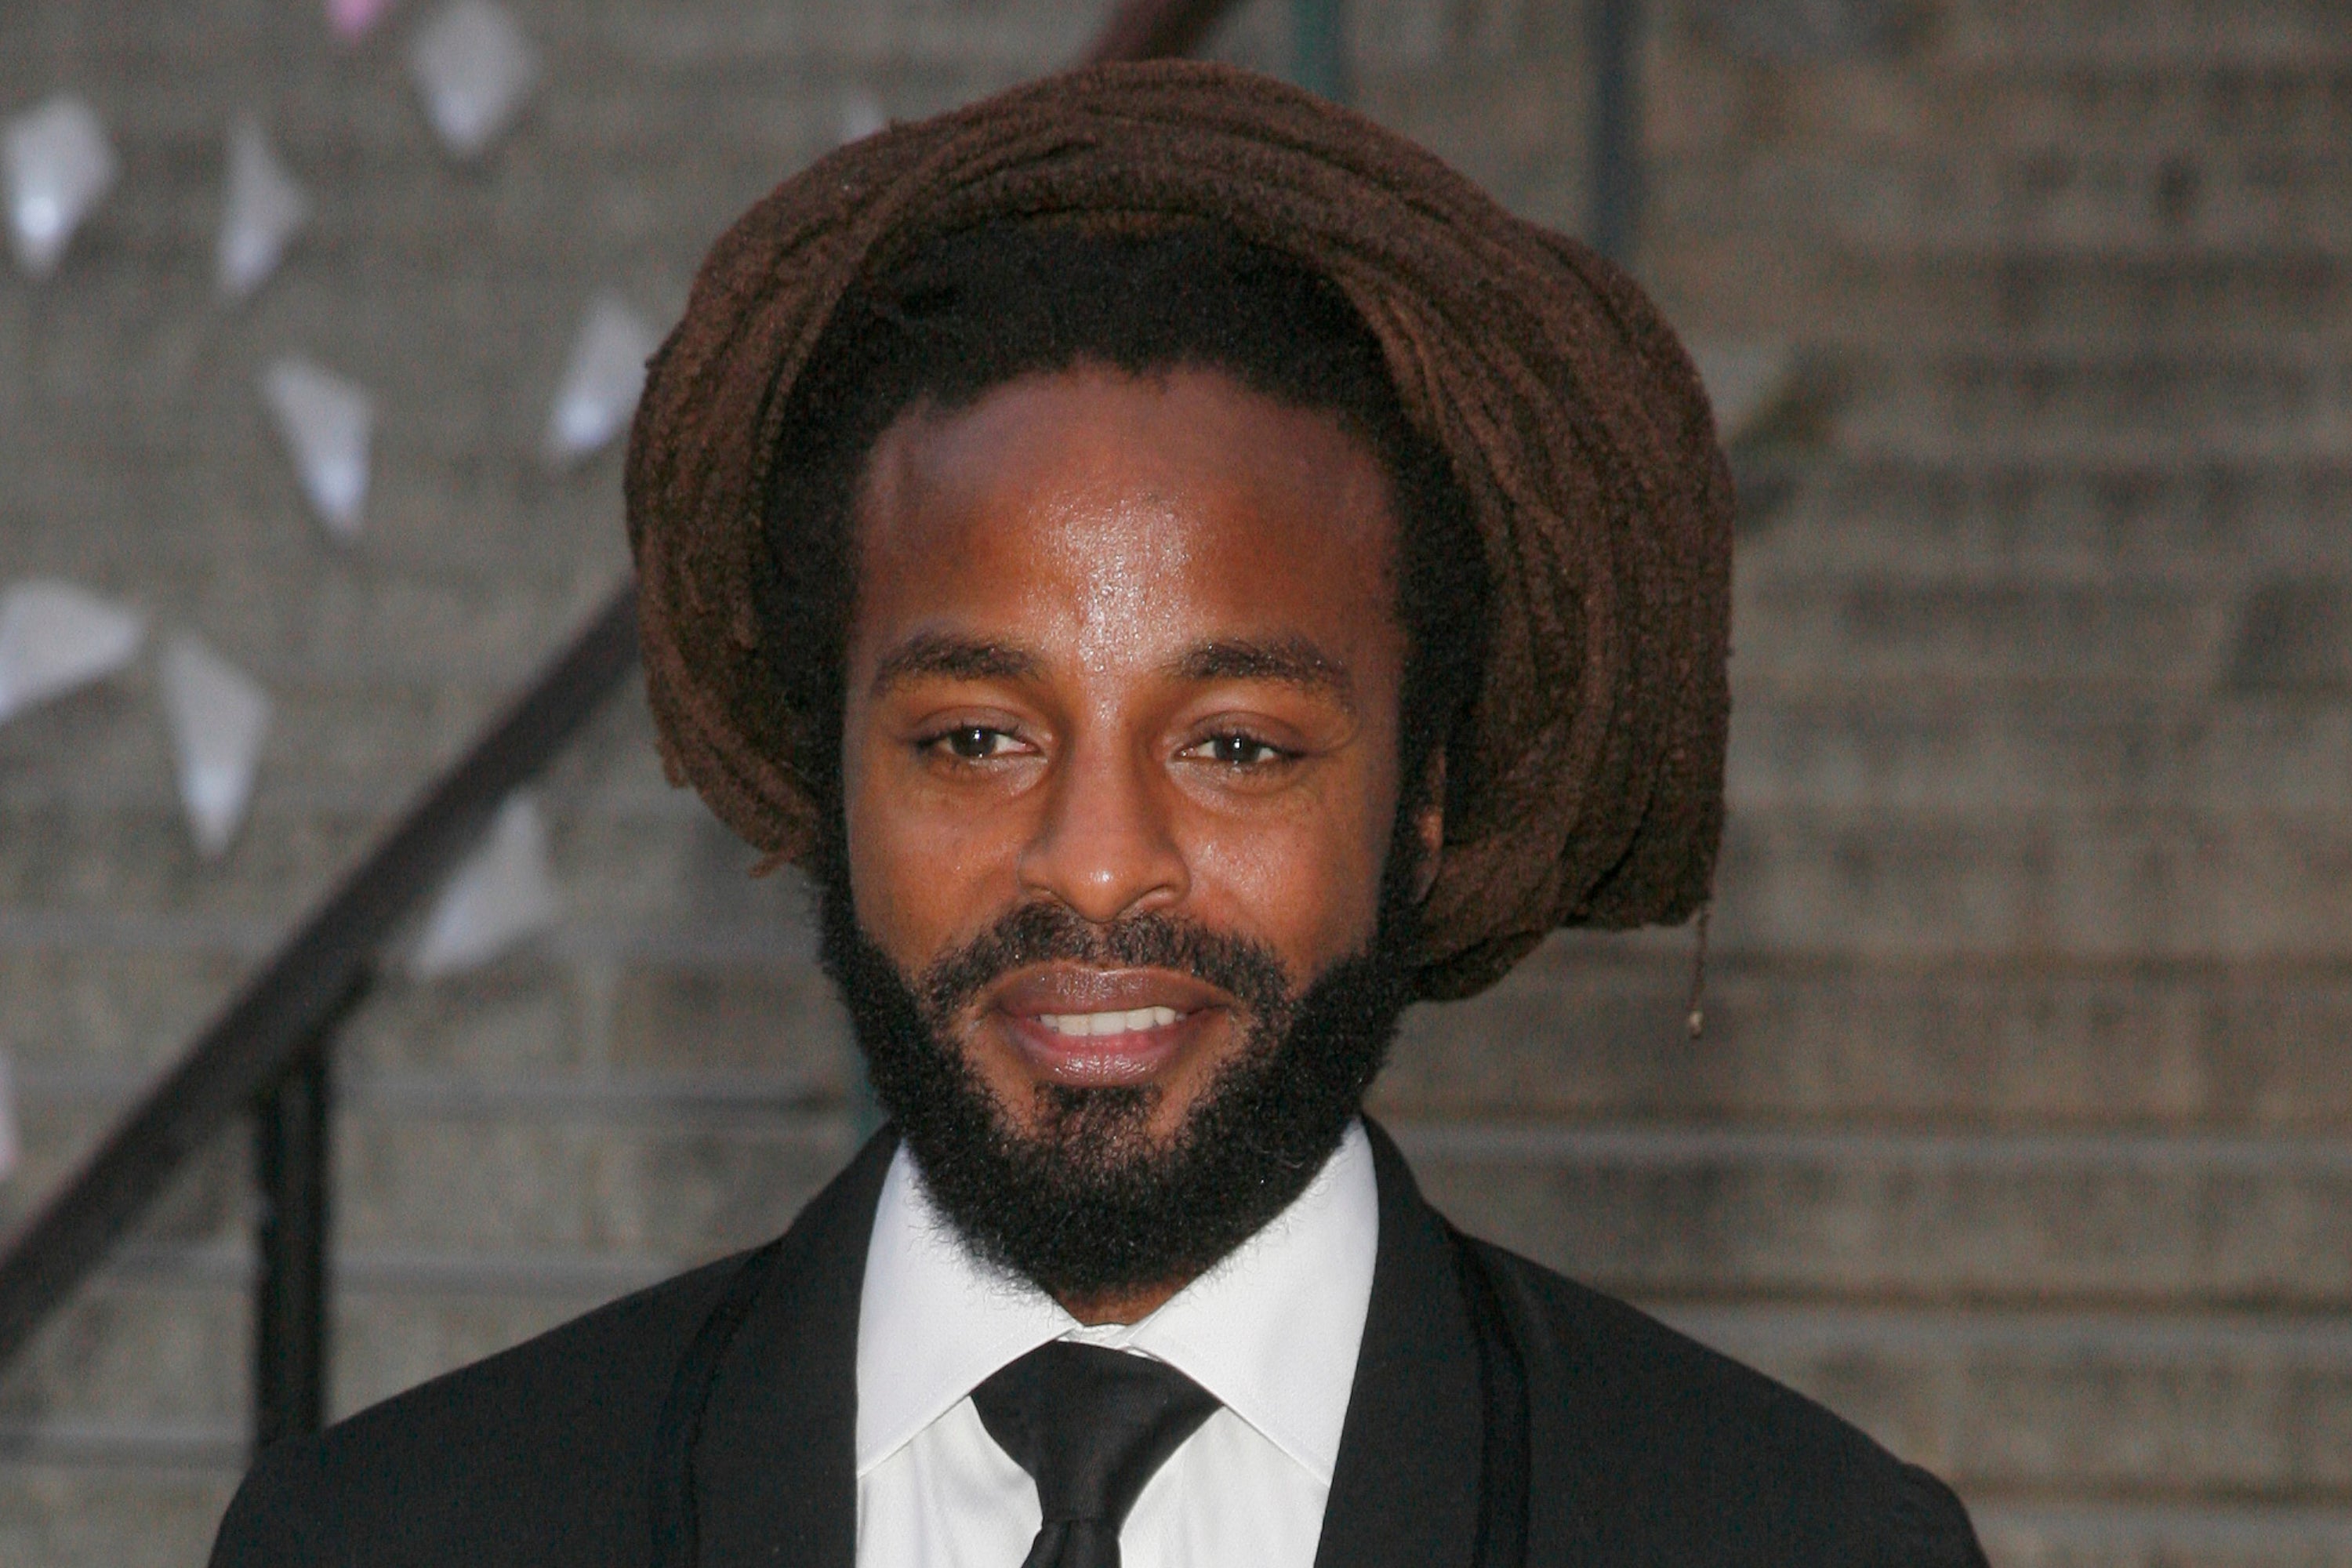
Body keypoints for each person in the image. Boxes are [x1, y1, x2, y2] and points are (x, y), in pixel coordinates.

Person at [211, 60, 1987, 1567]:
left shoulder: (1801, 1537)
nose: (1098, 860)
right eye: (978, 738)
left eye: (1237, 746)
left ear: (1427, 797)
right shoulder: (391, 1532)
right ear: (825, 772)